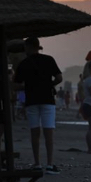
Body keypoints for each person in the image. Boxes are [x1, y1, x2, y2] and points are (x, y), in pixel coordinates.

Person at [13, 37, 63, 174]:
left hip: (32, 100)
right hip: (47, 99)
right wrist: (49, 85)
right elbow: (59, 78)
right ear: (38, 46)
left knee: (34, 132)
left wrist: (27, 86)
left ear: (28, 47)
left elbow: (16, 85)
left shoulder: (24, 63)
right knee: (48, 132)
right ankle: (50, 164)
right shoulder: (49, 59)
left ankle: (37, 163)